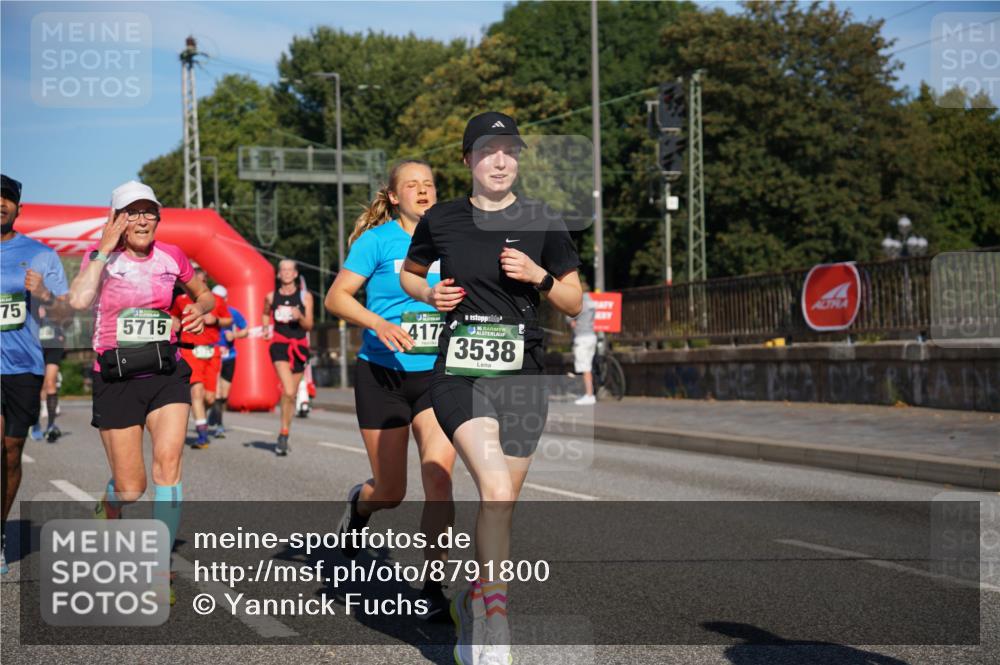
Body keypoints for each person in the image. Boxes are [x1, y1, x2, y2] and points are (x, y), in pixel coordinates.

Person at [401, 113, 583, 664]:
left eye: (509, 150)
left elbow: (575, 301)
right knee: (496, 490)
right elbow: (411, 273)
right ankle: (496, 623)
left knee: (500, 505)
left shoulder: (542, 220)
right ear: (468, 160)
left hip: (524, 375)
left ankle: (475, 600)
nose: (501, 160)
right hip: (459, 373)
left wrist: (539, 276)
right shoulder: (444, 219)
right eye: (489, 150)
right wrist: (430, 296)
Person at [67, 180, 213, 605]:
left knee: (169, 468)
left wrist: (195, 313)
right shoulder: (102, 260)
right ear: (115, 220)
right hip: (116, 378)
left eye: (149, 211)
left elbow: (202, 295)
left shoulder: (173, 256)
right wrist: (101, 248)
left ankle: (158, 570)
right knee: (131, 488)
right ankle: (109, 504)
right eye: (132, 212)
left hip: (167, 373)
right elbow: (77, 301)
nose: (143, 219)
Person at [325, 160, 456, 621]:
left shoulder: (455, 238)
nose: (423, 191)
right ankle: (359, 508)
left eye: (430, 184)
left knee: (438, 476)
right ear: (395, 196)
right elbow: (336, 297)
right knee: (391, 491)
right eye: (412, 186)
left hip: (439, 375)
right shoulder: (377, 240)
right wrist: (378, 322)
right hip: (382, 374)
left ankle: (435, 585)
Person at [1, 174, 70, 574]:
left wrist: (45, 295)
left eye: (7, 198)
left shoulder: (41, 255)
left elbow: (66, 313)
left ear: (19, 208)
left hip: (23, 366)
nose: (0, 203)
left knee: (10, 453)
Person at [170, 269, 231, 449]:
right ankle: (202, 433)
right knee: (196, 392)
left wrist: (216, 321)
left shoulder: (215, 300)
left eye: (201, 281)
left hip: (211, 352)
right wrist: (175, 323)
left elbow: (228, 319)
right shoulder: (181, 300)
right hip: (190, 350)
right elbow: (174, 316)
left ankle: (206, 416)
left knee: (210, 398)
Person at [263, 260, 314, 456]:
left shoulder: (305, 296)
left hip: (299, 347)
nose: (286, 273)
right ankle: (283, 435)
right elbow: (264, 313)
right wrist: (267, 328)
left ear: (295, 274)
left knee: (290, 395)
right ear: (278, 274)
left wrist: (299, 316)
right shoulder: (270, 297)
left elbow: (309, 325)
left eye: (289, 270)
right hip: (279, 346)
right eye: (282, 270)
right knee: (289, 388)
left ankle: (284, 432)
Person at [207, 284, 247, 438]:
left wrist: (235, 335)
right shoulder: (208, 314)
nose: (219, 301)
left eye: (222, 298)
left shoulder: (233, 313)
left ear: (226, 299)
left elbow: (245, 329)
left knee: (224, 393)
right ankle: (219, 424)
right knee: (216, 392)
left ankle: (215, 415)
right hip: (212, 356)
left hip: (230, 356)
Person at [30, 304, 68, 442]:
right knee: (38, 385)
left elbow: (65, 316)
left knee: (51, 382)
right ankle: (35, 424)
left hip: (53, 345)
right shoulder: (29, 294)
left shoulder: (53, 294)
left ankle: (51, 425)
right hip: (36, 346)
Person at [568, 281, 597, 405]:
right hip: (591, 335)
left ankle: (589, 394)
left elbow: (570, 317)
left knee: (584, 367)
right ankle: (588, 392)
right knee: (588, 366)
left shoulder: (579, 302)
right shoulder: (591, 301)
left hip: (582, 337)